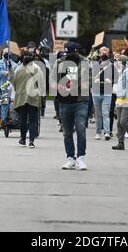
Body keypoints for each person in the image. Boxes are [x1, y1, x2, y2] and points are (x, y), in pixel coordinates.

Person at [50, 42, 90, 170]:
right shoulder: (60, 61)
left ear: (77, 52)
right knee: (67, 132)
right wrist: (57, 86)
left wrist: (75, 85)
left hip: (80, 101)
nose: (68, 57)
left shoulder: (85, 62)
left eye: (71, 54)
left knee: (80, 127)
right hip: (64, 101)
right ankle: (70, 158)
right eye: (67, 54)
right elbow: (51, 79)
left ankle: (81, 158)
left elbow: (87, 79)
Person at [11, 53, 45, 148]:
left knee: (23, 119)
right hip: (33, 98)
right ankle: (31, 141)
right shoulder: (37, 70)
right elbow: (42, 84)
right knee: (33, 120)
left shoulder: (18, 70)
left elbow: (15, 84)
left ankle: (22, 139)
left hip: (21, 98)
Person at [112, 55, 128, 150]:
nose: (116, 63)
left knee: (123, 121)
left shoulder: (127, 72)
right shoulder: (119, 72)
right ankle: (120, 143)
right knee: (119, 122)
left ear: (122, 63)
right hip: (119, 99)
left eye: (118, 61)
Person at [92, 47, 115, 141]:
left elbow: (116, 78)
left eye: (106, 51)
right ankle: (98, 132)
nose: (104, 53)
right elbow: (90, 77)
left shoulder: (112, 65)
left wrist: (111, 81)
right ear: (99, 53)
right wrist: (94, 80)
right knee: (98, 114)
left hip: (107, 92)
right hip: (96, 92)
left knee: (106, 113)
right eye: (102, 51)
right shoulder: (95, 65)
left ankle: (107, 132)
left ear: (109, 54)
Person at [0, 46, 16, 127]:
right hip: (1, 87)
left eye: (9, 53)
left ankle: (5, 120)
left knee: (8, 104)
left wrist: (11, 70)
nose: (7, 54)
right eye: (5, 53)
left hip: (10, 88)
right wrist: (2, 73)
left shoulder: (14, 64)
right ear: (2, 54)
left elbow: (15, 75)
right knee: (0, 104)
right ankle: (0, 117)